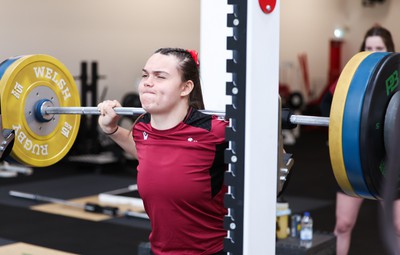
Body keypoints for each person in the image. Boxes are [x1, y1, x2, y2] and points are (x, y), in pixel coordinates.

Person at [97, 48, 228, 255]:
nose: (148, 82)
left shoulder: (216, 132)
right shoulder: (142, 129)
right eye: (145, 75)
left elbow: (270, 163)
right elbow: (144, 151)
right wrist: (111, 129)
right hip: (158, 251)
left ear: (185, 88)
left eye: (160, 76)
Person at [321, 25, 400, 255]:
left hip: (392, 160)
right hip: (357, 156)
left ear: (390, 50)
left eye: (379, 48)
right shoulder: (351, 83)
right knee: (343, 225)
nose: (373, 52)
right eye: (368, 48)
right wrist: (335, 134)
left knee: (398, 227)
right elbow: (328, 104)